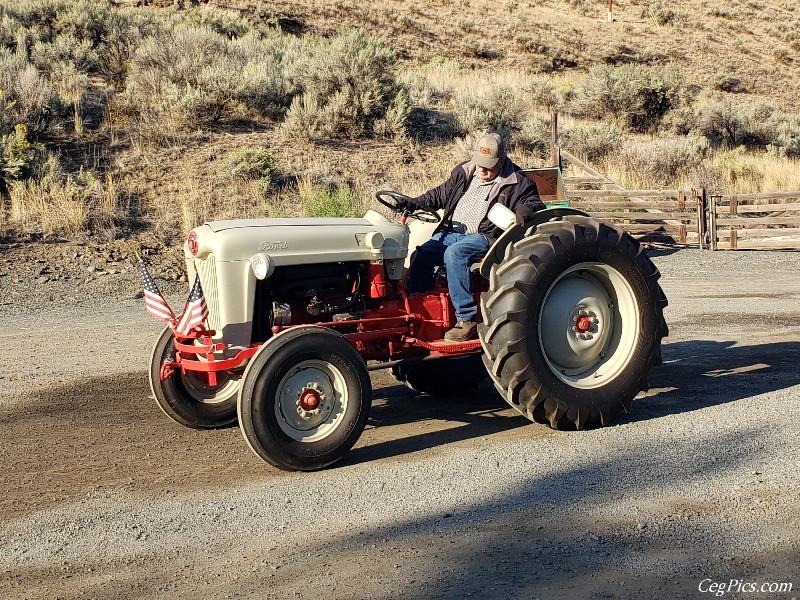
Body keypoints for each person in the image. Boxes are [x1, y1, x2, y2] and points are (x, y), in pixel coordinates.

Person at [407, 133, 545, 342]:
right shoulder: (465, 172)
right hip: (452, 231)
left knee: (455, 254)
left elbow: (535, 203)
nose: (482, 169)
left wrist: (525, 208)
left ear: (501, 161)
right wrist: (412, 203)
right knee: (422, 253)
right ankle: (420, 306)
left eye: (488, 165)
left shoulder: (518, 182)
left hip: (485, 236)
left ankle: (466, 319)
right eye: (480, 163)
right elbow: (439, 195)